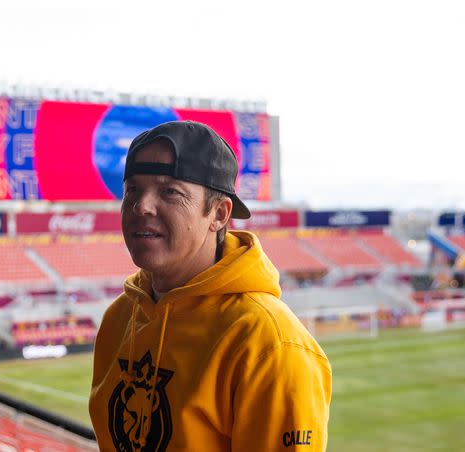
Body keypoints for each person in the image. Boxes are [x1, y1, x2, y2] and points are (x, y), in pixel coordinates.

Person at [88, 121, 332, 451]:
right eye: (132, 189)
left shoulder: (268, 343)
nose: (141, 206)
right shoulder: (120, 317)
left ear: (218, 214)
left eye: (169, 191)